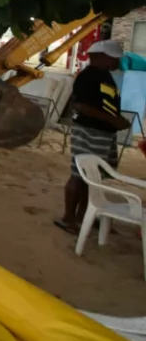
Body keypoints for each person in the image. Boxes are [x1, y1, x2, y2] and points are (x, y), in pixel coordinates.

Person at [55, 39, 131, 235]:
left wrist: (116, 119)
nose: (116, 62)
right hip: (89, 131)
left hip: (104, 132)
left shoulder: (104, 75)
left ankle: (83, 215)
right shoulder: (88, 76)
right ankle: (68, 218)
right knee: (79, 174)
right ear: (99, 57)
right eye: (113, 58)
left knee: (93, 177)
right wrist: (113, 121)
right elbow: (80, 105)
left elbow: (102, 104)